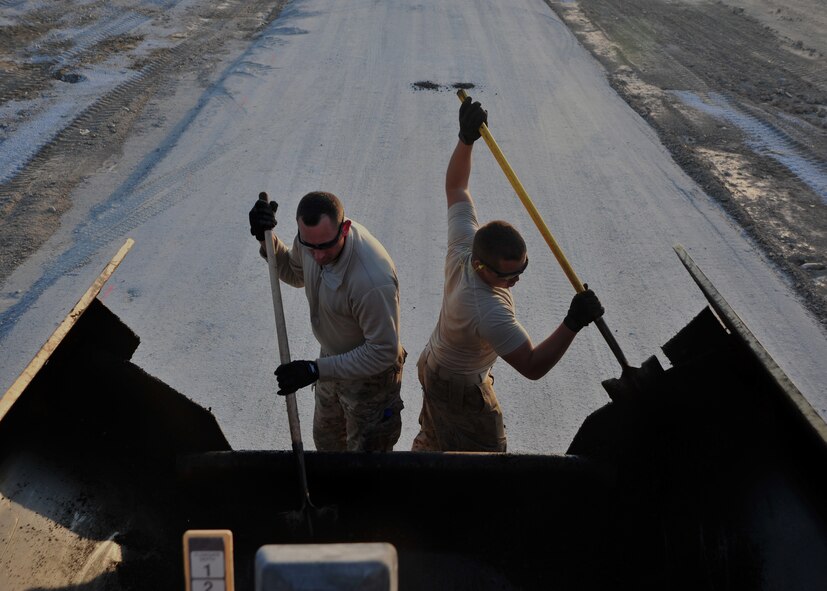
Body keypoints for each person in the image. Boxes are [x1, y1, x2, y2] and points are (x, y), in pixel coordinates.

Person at [411, 97, 605, 453]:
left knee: (436, 438)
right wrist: (573, 322)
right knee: (485, 462)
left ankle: (423, 463)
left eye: (522, 270)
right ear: (481, 266)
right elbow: (532, 365)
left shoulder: (465, 243)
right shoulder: (487, 310)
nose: (516, 281)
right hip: (457, 387)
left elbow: (456, 187)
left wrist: (465, 139)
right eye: (508, 276)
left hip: (436, 365)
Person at [248, 191, 405, 452]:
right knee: (328, 446)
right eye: (309, 246)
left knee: (365, 460)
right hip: (330, 362)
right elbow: (295, 273)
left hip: (371, 379)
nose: (317, 256)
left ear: (345, 228)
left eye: (325, 247)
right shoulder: (312, 241)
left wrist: (315, 370)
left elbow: (383, 352)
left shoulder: (372, 280)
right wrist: (267, 241)